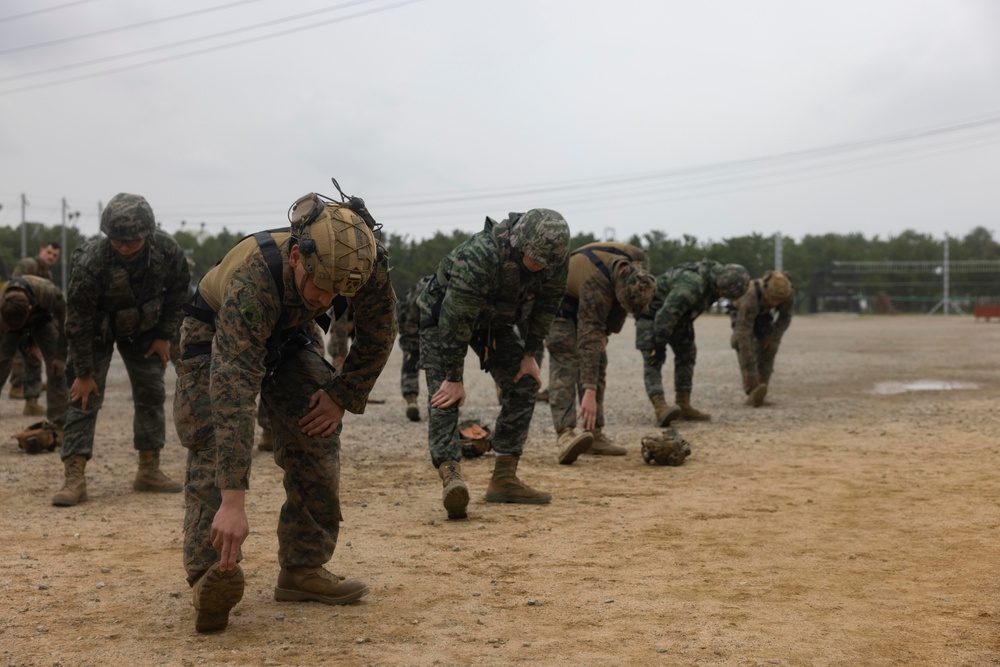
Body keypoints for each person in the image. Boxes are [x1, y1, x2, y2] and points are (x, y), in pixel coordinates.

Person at [174, 190, 395, 634]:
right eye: (320, 287)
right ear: (297, 255)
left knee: (316, 426)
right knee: (213, 443)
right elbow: (234, 391)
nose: (326, 299)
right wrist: (234, 501)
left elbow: (379, 334)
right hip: (216, 334)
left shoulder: (363, 264)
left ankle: (302, 568)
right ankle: (209, 577)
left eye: (338, 294)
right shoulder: (254, 277)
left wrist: (341, 393)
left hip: (291, 336)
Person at [417, 209, 569, 519]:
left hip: (494, 322)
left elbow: (546, 307)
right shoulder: (482, 254)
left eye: (547, 263)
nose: (541, 267)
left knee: (524, 384)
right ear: (519, 243)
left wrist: (529, 356)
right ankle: (452, 477)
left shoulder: (555, 258)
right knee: (445, 394)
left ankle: (504, 479)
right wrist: (454, 377)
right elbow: (455, 317)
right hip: (444, 317)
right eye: (535, 259)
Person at [52, 193, 190, 507]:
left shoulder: (167, 251)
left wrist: (164, 336)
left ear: (147, 234)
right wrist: (84, 373)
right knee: (82, 398)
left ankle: (148, 469)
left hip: (144, 330)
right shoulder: (92, 260)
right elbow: (77, 319)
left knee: (151, 392)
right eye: (117, 240)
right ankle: (74, 477)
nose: (124, 246)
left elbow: (180, 291)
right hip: (96, 332)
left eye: (132, 240)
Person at [547, 242, 656, 465]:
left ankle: (593, 434)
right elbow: (588, 336)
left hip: (589, 301)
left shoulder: (639, 268)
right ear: (621, 276)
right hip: (559, 305)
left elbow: (619, 307)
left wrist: (607, 331)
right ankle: (565, 435)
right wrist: (589, 391)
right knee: (566, 362)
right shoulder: (596, 280)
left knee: (599, 360)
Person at [636, 260, 749, 425]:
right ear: (721, 283)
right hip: (652, 315)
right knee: (654, 359)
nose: (722, 295)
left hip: (678, 319)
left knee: (687, 354)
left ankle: (683, 404)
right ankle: (660, 407)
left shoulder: (715, 279)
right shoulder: (691, 285)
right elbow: (666, 315)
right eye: (723, 292)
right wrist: (659, 345)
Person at [0, 274, 69, 432]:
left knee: (57, 368)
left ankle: (59, 425)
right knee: (2, 361)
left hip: (42, 320)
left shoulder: (49, 293)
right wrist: (26, 345)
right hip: (9, 323)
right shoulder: (3, 305)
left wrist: (60, 356)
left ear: (29, 309)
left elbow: (67, 322)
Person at [9, 241, 61, 411]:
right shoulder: (28, 265)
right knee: (9, 356)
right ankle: (17, 387)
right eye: (49, 252)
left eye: (55, 255)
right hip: (16, 316)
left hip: (34, 320)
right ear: (41, 250)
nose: (51, 257)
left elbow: (45, 306)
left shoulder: (47, 274)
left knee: (34, 357)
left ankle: (31, 402)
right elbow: (16, 293)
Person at [730, 270, 793, 407]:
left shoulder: (787, 293)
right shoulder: (751, 295)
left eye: (778, 301)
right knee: (743, 346)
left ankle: (761, 391)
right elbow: (744, 330)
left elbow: (785, 317)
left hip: (764, 314)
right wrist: (751, 369)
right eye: (772, 299)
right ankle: (752, 390)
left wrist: (775, 339)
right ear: (766, 290)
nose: (775, 303)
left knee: (769, 349)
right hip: (742, 314)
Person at [396, 274, 432, 421]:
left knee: (438, 360)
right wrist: (411, 343)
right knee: (411, 358)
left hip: (427, 321)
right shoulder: (423, 290)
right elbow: (410, 318)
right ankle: (412, 401)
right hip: (408, 322)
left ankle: (440, 404)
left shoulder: (446, 288)